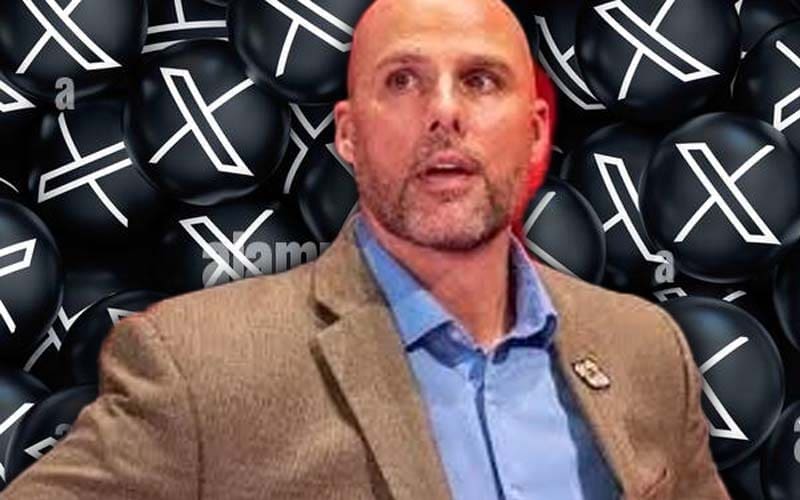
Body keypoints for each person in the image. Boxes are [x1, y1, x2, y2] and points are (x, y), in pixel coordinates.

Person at [0, 0, 730, 498]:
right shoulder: (197, 368)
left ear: (538, 132)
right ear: (347, 135)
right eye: (403, 81)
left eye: (480, 80)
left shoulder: (646, 347)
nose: (444, 112)